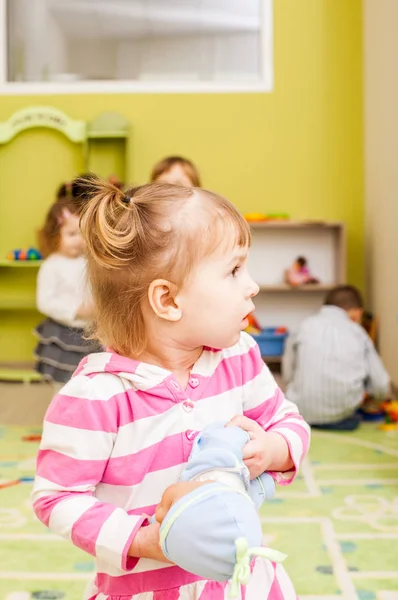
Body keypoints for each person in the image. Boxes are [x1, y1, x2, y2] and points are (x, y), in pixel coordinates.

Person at [32, 178, 310, 600]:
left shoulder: (239, 357)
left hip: (238, 581)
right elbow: (57, 498)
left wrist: (274, 449)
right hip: (144, 589)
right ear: (167, 300)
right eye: (234, 270)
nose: (252, 285)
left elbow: (287, 419)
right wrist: (143, 539)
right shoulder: (97, 396)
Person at [282, 285, 390, 430]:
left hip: (301, 413)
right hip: (342, 416)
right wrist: (376, 399)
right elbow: (381, 385)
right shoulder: (358, 332)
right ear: (357, 313)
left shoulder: (303, 327)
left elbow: (288, 373)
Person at [34, 200, 99, 384]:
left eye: (82, 234)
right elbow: (45, 301)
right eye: (71, 234)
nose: (79, 240)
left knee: (90, 379)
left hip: (91, 331)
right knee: (64, 381)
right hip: (64, 333)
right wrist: (76, 310)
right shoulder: (51, 266)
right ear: (54, 236)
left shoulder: (89, 261)